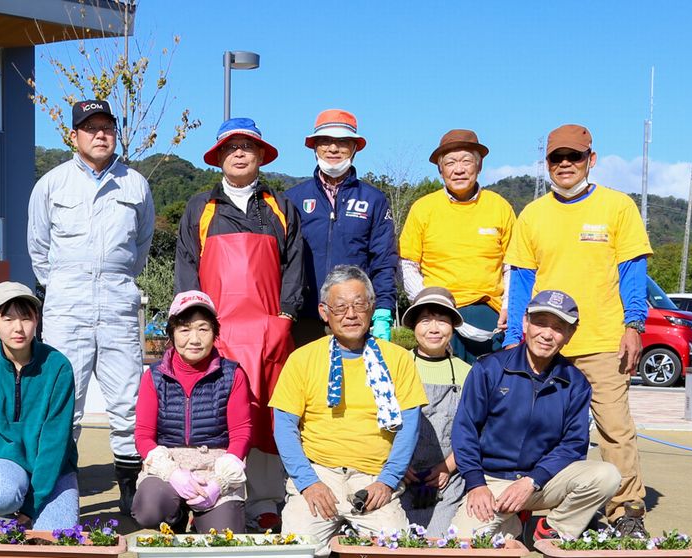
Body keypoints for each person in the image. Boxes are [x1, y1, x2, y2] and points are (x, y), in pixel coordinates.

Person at [504, 124, 653, 538]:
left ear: (592, 159)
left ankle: (627, 511)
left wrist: (634, 325)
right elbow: (520, 282)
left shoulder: (618, 207)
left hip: (603, 340)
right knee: (533, 427)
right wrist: (516, 338)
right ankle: (537, 506)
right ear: (547, 163)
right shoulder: (532, 214)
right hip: (543, 344)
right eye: (556, 158)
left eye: (574, 156)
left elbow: (632, 273)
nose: (565, 164)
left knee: (614, 428)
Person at [28, 99, 155, 516]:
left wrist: (113, 283)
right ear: (74, 135)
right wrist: (69, 286)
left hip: (119, 302)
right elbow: (39, 252)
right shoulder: (51, 185)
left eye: (107, 127)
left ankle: (129, 492)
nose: (100, 135)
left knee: (128, 400)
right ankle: (62, 490)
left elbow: (140, 249)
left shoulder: (136, 185)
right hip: (67, 306)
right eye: (90, 128)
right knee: (66, 399)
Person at [175, 117, 304, 527]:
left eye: (248, 146)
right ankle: (216, 495)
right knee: (220, 412)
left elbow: (295, 265)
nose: (240, 153)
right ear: (219, 158)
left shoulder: (281, 207)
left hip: (270, 332)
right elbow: (187, 269)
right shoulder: (200, 208)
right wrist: (197, 326)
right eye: (232, 147)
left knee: (267, 412)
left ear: (262, 155)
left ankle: (265, 500)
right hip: (219, 333)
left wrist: (286, 315)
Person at [270, 265, 426, 558]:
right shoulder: (302, 359)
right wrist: (308, 483)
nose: (351, 315)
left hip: (373, 477)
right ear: (324, 312)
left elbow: (410, 425)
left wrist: (387, 480)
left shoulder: (398, 358)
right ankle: (340, 538)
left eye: (359, 305)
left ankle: (352, 538)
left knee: (396, 555)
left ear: (371, 307)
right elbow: (284, 427)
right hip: (320, 473)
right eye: (340, 307)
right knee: (296, 554)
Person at [450, 290, 621, 540]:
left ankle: (552, 529)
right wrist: (476, 484)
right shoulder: (489, 368)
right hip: (492, 481)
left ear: (570, 334)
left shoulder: (576, 383)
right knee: (462, 541)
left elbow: (573, 445)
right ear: (526, 323)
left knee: (606, 475)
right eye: (540, 323)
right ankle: (513, 526)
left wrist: (532, 481)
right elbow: (465, 430)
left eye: (558, 327)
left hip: (541, 482)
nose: (547, 334)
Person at [0, 282, 79, 530]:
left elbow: (55, 443)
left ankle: (22, 516)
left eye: (26, 318)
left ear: (36, 319)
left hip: (53, 470)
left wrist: (31, 505)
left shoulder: (58, 367)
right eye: (8, 319)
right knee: (0, 494)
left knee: (57, 538)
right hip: (7, 463)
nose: (18, 328)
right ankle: (6, 516)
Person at [133, 290, 252, 533]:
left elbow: (241, 432)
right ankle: (175, 517)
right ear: (172, 333)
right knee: (149, 508)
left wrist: (219, 483)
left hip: (215, 464)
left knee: (224, 536)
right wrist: (173, 473)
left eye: (203, 328)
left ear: (215, 332)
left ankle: (203, 518)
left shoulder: (233, 375)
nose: (194, 339)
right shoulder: (154, 377)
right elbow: (143, 435)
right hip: (170, 462)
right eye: (185, 329)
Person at [399, 130, 515, 364]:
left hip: (490, 316)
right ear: (440, 170)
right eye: (450, 162)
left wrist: (509, 308)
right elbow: (407, 264)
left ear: (479, 166)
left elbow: (511, 265)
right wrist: (428, 302)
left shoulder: (499, 207)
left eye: (466, 161)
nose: (459, 169)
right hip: (439, 315)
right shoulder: (423, 208)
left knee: (489, 389)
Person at [284, 109, 397, 347]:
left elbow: (384, 260)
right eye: (325, 142)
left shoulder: (374, 200)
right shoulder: (291, 198)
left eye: (342, 142)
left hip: (354, 315)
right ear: (314, 147)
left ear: (355, 148)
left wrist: (384, 309)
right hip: (304, 317)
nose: (333, 149)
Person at [398, 287, 472, 536]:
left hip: (447, 478)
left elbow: (476, 431)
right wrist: (397, 466)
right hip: (399, 475)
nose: (434, 328)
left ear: (452, 326)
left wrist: (447, 467)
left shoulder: (467, 373)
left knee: (437, 539)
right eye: (426, 319)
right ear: (414, 325)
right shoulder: (396, 365)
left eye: (442, 320)